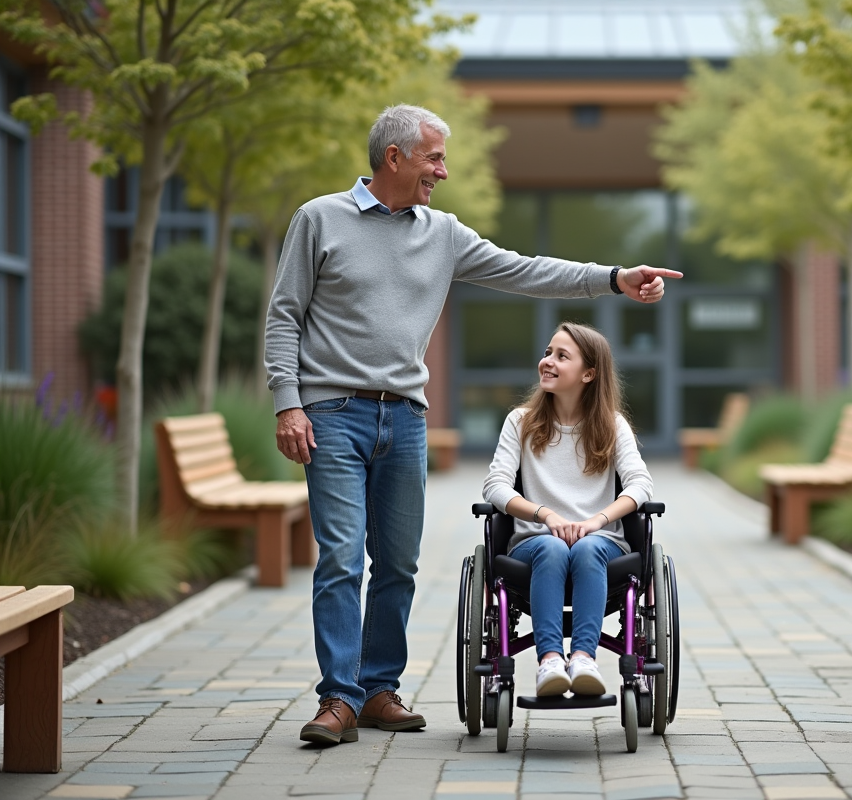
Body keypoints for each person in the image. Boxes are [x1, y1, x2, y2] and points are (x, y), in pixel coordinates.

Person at [265, 104, 681, 746]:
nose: (444, 171)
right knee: (343, 558)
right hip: (331, 412)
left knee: (398, 562)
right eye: (434, 158)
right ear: (394, 157)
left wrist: (615, 280)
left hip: (403, 416)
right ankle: (338, 700)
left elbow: (526, 269)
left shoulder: (443, 233)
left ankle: (378, 690)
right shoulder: (320, 219)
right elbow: (284, 315)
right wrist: (287, 401)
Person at [482, 322, 653, 697]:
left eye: (561, 356)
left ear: (588, 373)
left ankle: (583, 659)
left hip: (601, 543)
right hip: (535, 543)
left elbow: (641, 485)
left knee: (588, 546)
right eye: (547, 353)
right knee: (552, 545)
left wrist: (597, 521)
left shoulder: (612, 425)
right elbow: (495, 485)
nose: (548, 362)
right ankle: (549, 663)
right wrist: (545, 515)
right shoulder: (521, 422)